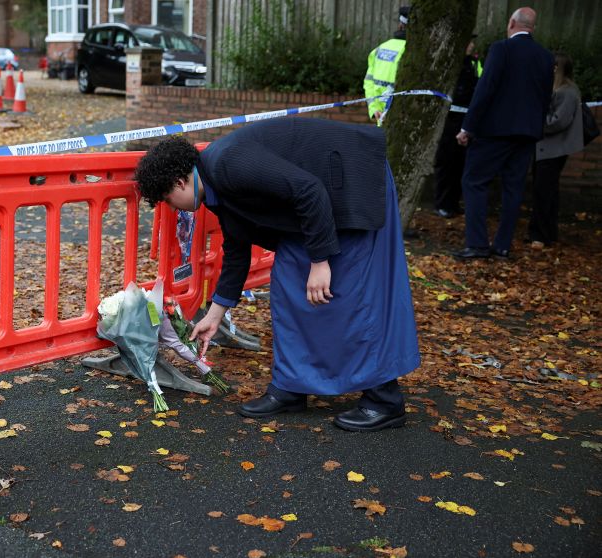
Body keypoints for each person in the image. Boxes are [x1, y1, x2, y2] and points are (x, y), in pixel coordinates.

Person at [133, 117, 421, 432]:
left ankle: (385, 400)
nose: (173, 209)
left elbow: (309, 190)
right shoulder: (213, 185)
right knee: (287, 285)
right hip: (318, 204)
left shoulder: (228, 165)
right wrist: (216, 313)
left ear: (179, 182)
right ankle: (292, 387)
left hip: (351, 182)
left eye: (167, 200)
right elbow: (237, 249)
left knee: (353, 293)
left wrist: (320, 261)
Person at [453, 7, 554, 259]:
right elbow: (545, 98)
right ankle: (502, 246)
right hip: (527, 133)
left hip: (494, 131)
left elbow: (486, 89)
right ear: (532, 27)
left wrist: (468, 127)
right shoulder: (545, 56)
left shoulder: (501, 49)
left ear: (511, 23)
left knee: (474, 181)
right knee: (514, 188)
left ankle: (477, 244)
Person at [527, 53, 583, 248]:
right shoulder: (562, 90)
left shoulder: (567, 92)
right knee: (548, 191)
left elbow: (559, 121)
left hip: (552, 149)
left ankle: (540, 234)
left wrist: (536, 123)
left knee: (544, 191)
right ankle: (547, 232)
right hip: (548, 148)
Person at [433, 37, 483, 219]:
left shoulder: (473, 63)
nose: (472, 45)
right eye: (469, 42)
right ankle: (441, 203)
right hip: (451, 118)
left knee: (460, 164)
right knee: (447, 162)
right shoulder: (451, 64)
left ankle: (453, 203)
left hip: (466, 118)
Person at [363, 6, 410, 125]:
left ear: (400, 25)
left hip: (381, 120)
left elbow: (368, 83)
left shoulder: (379, 49)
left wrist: (374, 109)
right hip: (403, 123)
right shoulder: (414, 53)